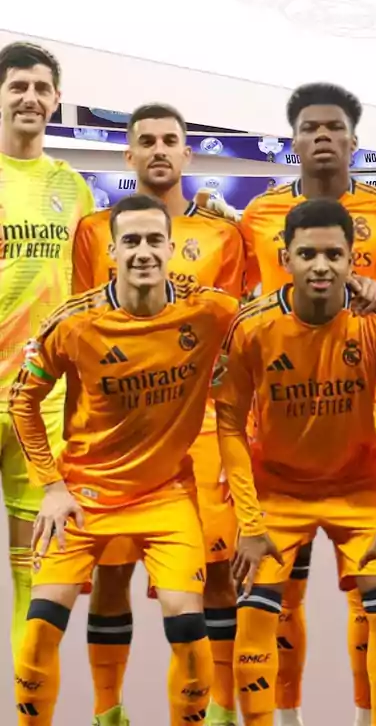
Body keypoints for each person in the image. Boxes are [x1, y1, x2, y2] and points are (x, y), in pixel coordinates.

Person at [8, 194, 238, 725]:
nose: (143, 252)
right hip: (86, 495)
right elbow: (23, 401)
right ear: (111, 250)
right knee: (42, 625)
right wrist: (52, 486)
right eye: (131, 241)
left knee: (186, 624)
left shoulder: (207, 311)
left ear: (171, 247)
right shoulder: (75, 321)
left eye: (154, 240)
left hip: (167, 496)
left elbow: (281, 318)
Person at [227, 81, 376, 725]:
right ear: (294, 141)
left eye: (335, 127)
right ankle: (287, 715)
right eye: (310, 128)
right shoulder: (256, 216)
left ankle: (369, 714)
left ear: (355, 142)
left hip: (368, 408)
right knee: (283, 589)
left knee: (372, 595)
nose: (323, 136)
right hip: (278, 414)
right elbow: (236, 299)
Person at [71, 103, 246, 725]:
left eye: (170, 140)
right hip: (119, 440)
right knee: (113, 576)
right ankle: (106, 712)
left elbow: (237, 337)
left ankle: (220, 710)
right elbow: (82, 334)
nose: (159, 151)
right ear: (129, 155)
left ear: (188, 153)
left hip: (199, 433)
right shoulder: (94, 232)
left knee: (217, 573)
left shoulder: (225, 235)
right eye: (145, 141)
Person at [0, 41, 95, 665]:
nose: (31, 97)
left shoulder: (74, 187)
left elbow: (90, 301)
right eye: (18, 87)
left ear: (56, 99)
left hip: (43, 403)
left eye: (42, 87)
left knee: (37, 577)